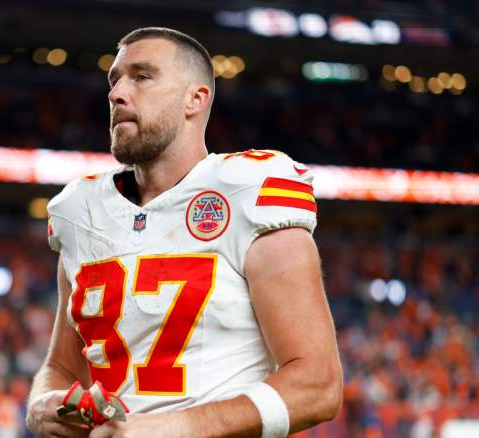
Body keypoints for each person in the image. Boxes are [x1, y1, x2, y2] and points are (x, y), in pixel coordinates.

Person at [26, 27, 342, 438]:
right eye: (115, 79)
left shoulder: (249, 189)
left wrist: (176, 427)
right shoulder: (79, 211)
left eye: (142, 76)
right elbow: (62, 367)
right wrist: (43, 404)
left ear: (196, 99)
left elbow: (318, 386)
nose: (117, 93)